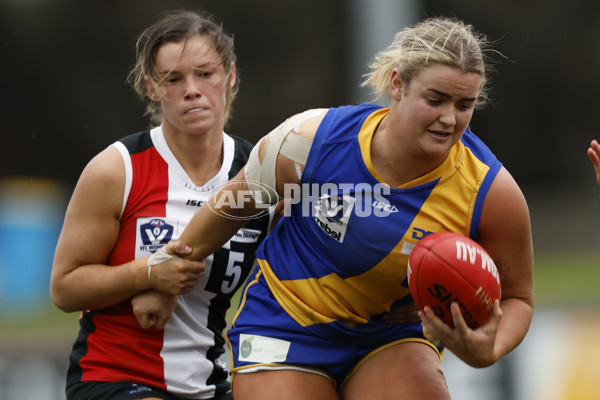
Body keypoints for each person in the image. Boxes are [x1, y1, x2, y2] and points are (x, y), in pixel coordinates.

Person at [135, 17, 534, 400]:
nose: (449, 118)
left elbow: (519, 297)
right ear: (397, 84)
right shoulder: (308, 141)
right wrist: (165, 274)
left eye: (465, 105)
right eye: (435, 99)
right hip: (285, 322)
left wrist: (490, 347)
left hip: (388, 336)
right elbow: (234, 205)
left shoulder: (490, 191)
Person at [50, 10, 276, 400]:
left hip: (209, 383)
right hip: (113, 377)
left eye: (206, 73)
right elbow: (65, 288)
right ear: (151, 88)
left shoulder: (258, 177)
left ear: (231, 76)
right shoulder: (116, 170)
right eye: (174, 79)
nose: (192, 89)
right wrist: (147, 275)